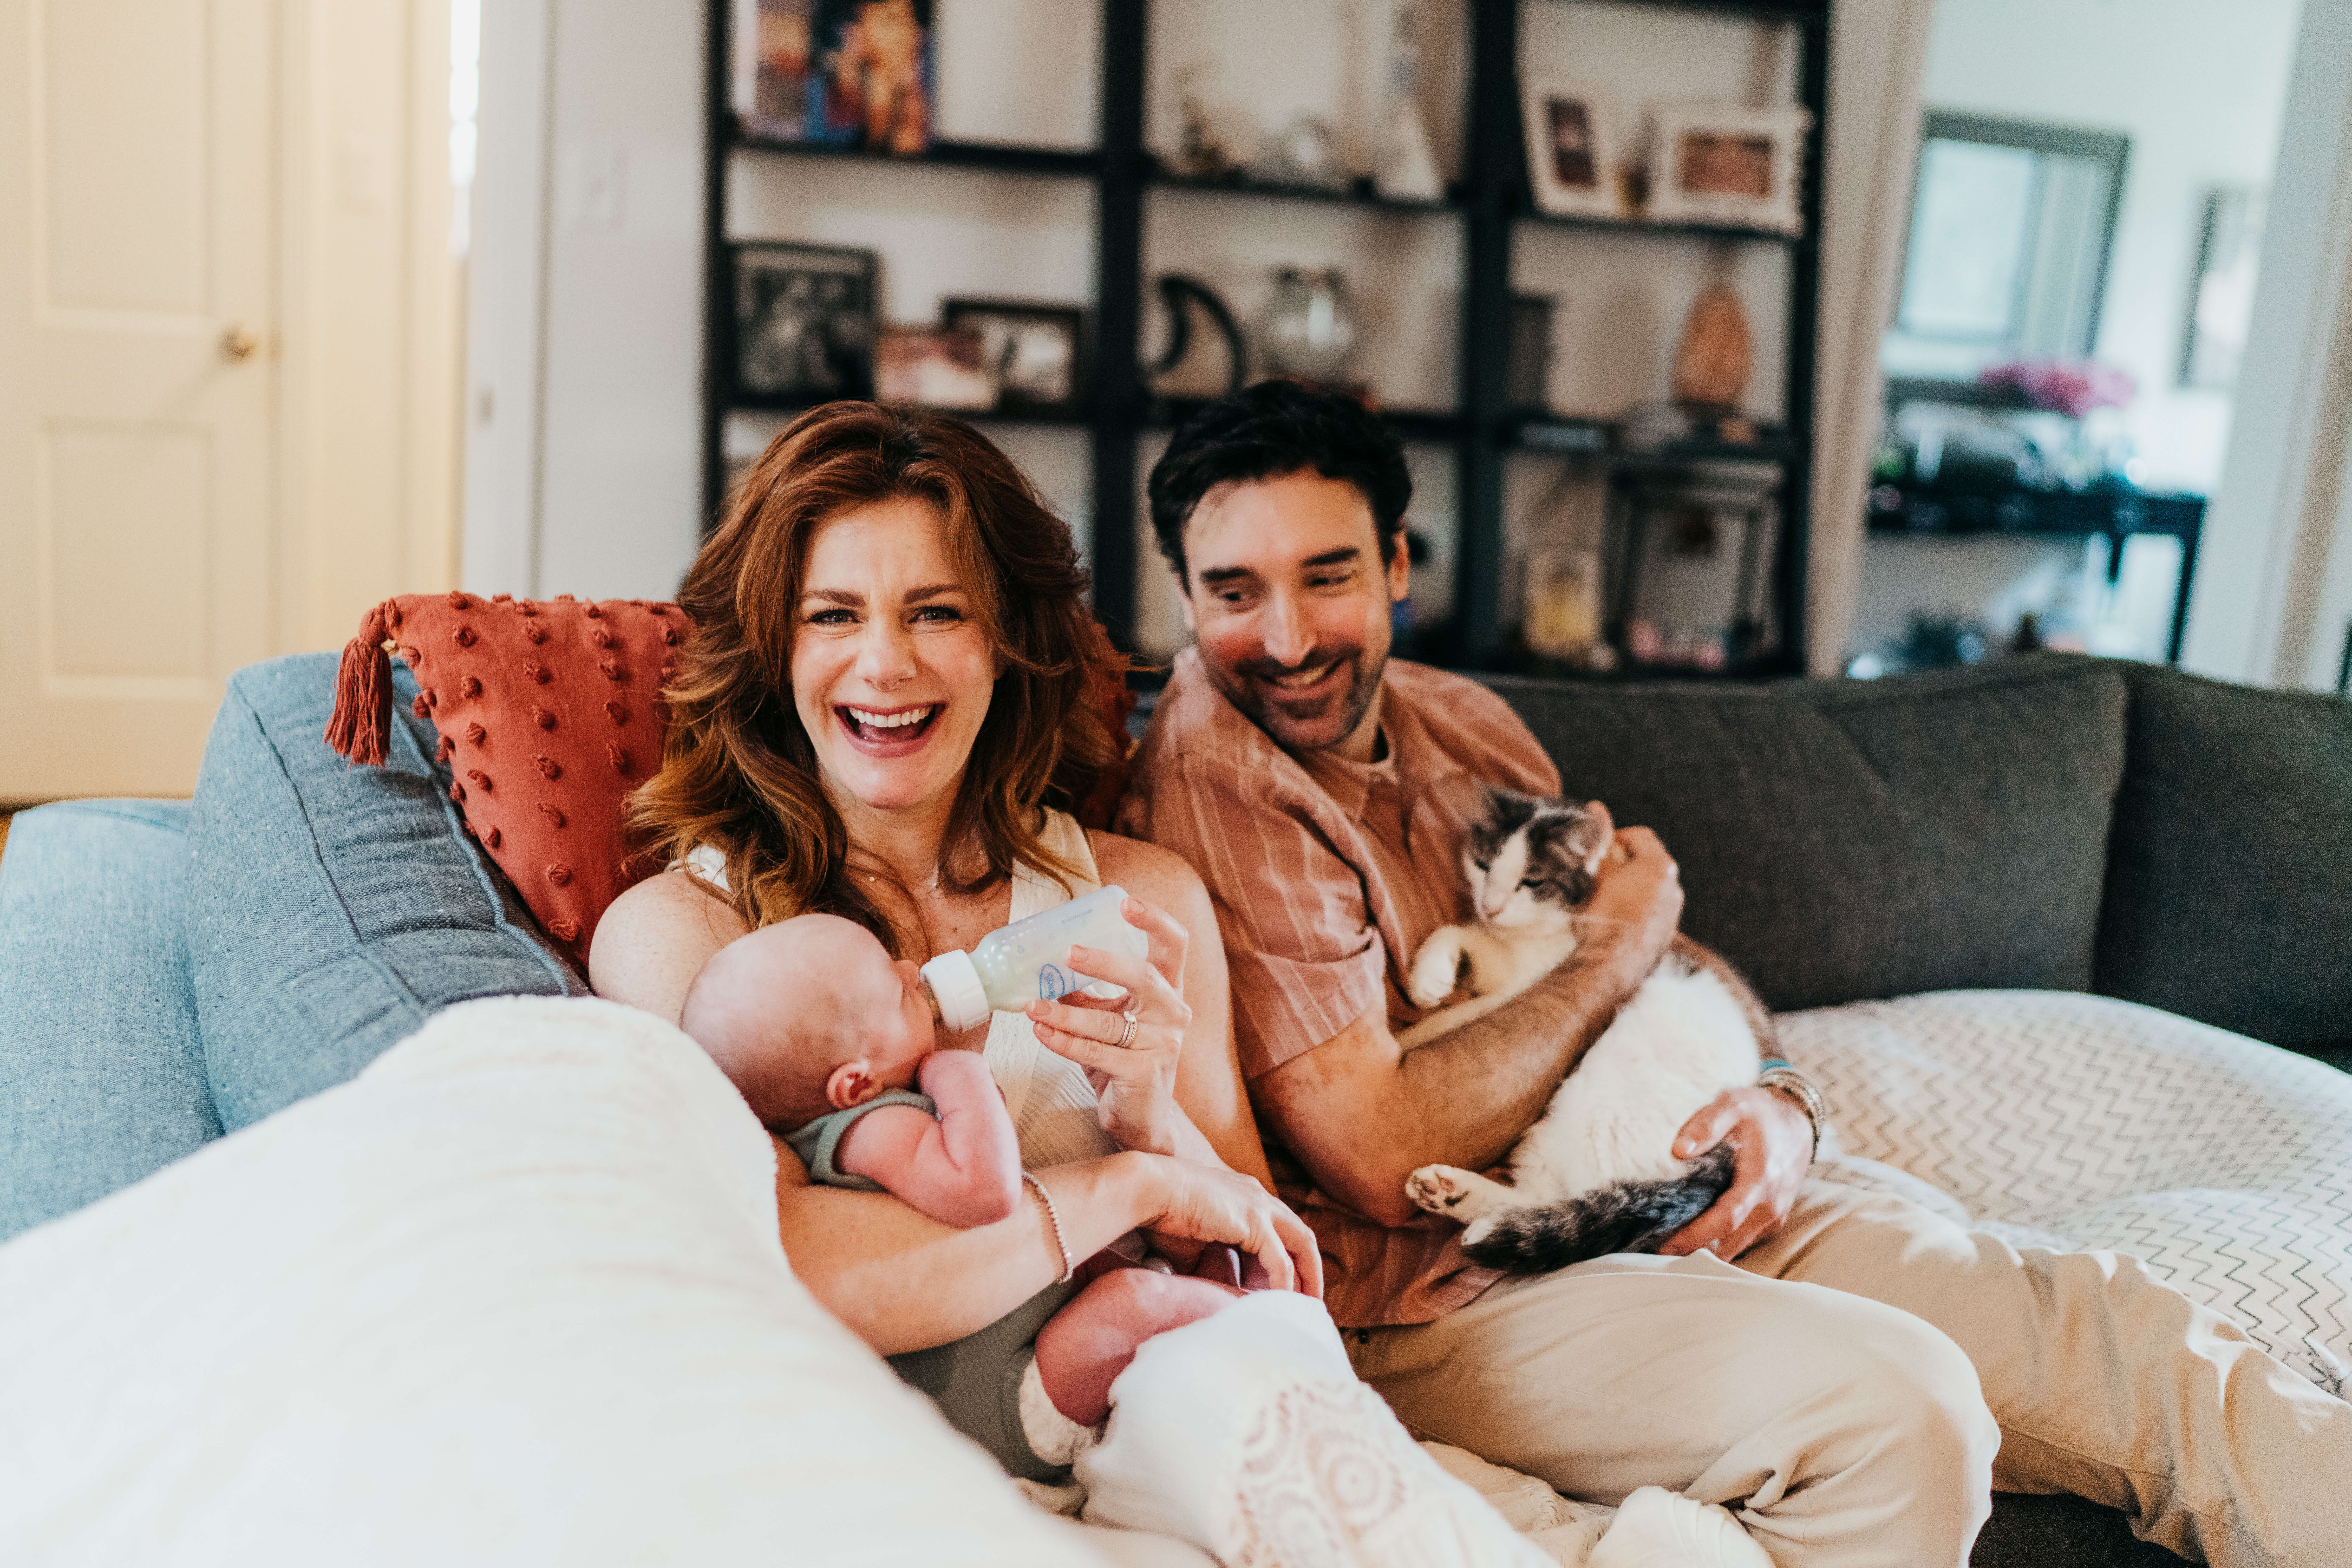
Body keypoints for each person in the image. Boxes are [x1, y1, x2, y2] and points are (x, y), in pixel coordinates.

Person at [1115, 379, 2352, 1568]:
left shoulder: (1458, 719)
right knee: (1905, 1408)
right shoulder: (1225, 788)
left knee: (2107, 1322)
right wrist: (1614, 944)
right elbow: (1383, 1148)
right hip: (1443, 1289)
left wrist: (1775, 1087)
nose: (1287, 638)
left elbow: (1665, 941)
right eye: (1234, 590)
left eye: (1326, 575)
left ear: (1395, 564)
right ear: (1182, 595)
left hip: (1657, 1180)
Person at [586, 403, 1576, 1568]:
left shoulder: (1139, 897)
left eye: (937, 611)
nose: (886, 663)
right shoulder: (686, 936)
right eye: (832, 615)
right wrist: (1124, 1185)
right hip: (871, 1477)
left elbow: (1270, 1281)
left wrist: (1154, 1119)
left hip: (1161, 1437)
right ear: (773, 650)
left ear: (1007, 640)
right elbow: (786, 1260)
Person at [680, 913, 1243, 1441]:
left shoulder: (864, 1117)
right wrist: (962, 1073)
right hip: (1009, 1392)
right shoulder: (873, 1130)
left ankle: (1247, 1310)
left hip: (1035, 1338)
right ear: (855, 1085)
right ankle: (1260, 1321)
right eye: (898, 992)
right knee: (1139, 1298)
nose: (911, 969)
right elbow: (988, 1192)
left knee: (1170, 1273)